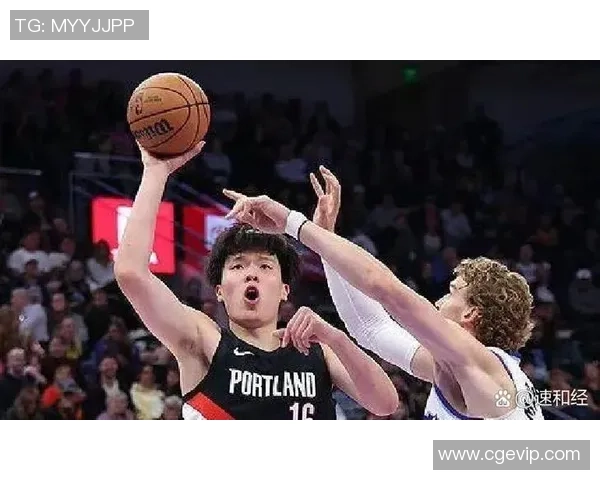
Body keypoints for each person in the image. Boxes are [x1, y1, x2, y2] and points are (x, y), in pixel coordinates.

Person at [222, 166, 545, 420]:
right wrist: (326, 240)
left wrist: (293, 224)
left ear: (471, 313)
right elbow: (371, 327)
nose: (439, 301)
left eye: (452, 293)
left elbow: (383, 288)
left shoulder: (485, 369)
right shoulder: (453, 367)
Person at [114, 142, 398, 420]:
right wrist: (155, 171)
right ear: (219, 291)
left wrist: (335, 337)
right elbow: (131, 273)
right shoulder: (203, 339)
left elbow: (385, 403)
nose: (252, 273)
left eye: (265, 266)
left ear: (284, 290)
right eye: (238, 266)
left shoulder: (318, 351)